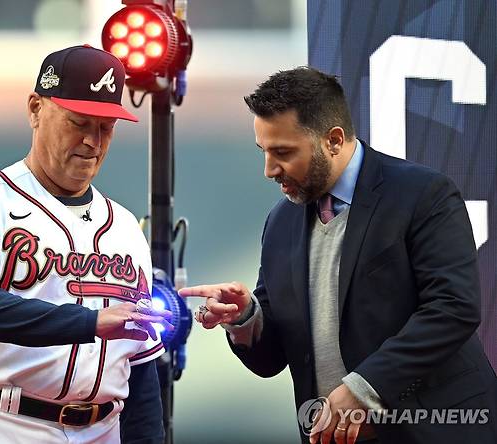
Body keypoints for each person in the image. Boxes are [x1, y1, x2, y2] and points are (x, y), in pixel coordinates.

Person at [179, 67, 497, 444]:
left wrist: (364, 387)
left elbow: (453, 308)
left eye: (283, 152)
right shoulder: (280, 221)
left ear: (333, 139)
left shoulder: (424, 193)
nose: (268, 170)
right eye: (263, 151)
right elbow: (270, 360)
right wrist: (246, 317)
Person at [0, 45, 171, 444]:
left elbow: (141, 369)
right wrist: (88, 323)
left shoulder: (125, 227)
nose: (93, 141)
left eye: (106, 127)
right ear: (35, 109)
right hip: (1, 422)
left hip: (103, 428)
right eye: (79, 122)